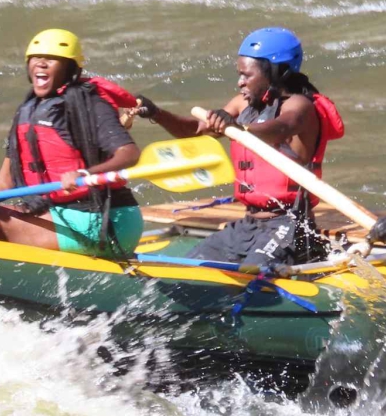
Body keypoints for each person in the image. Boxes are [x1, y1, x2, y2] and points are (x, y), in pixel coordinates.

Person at [0, 29, 143, 257]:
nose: (41, 63)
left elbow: (129, 153)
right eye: (36, 57)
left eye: (51, 59)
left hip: (106, 221)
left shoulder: (89, 104)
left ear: (70, 68)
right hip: (63, 215)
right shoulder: (28, 112)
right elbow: (4, 183)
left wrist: (85, 172)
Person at [132, 26, 345, 266]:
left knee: (252, 273)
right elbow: (193, 131)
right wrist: (156, 113)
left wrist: (239, 128)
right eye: (239, 74)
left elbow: (283, 126)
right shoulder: (243, 104)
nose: (240, 82)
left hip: (289, 226)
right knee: (191, 263)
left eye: (247, 75)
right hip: (248, 225)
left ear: (277, 73)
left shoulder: (300, 106)